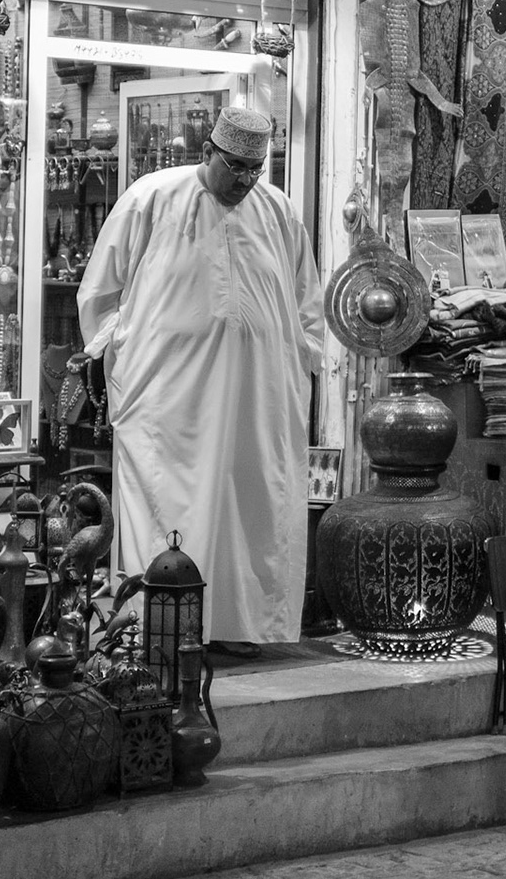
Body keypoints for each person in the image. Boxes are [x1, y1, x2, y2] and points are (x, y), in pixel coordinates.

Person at [78, 106, 324, 658]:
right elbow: (101, 290)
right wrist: (119, 349)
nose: (245, 180)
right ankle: (162, 629)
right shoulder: (152, 197)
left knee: (250, 500)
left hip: (258, 393)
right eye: (235, 166)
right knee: (170, 500)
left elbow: (306, 299)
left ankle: (238, 625)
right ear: (208, 151)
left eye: (255, 169)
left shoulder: (278, 210)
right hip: (168, 394)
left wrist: (300, 361)